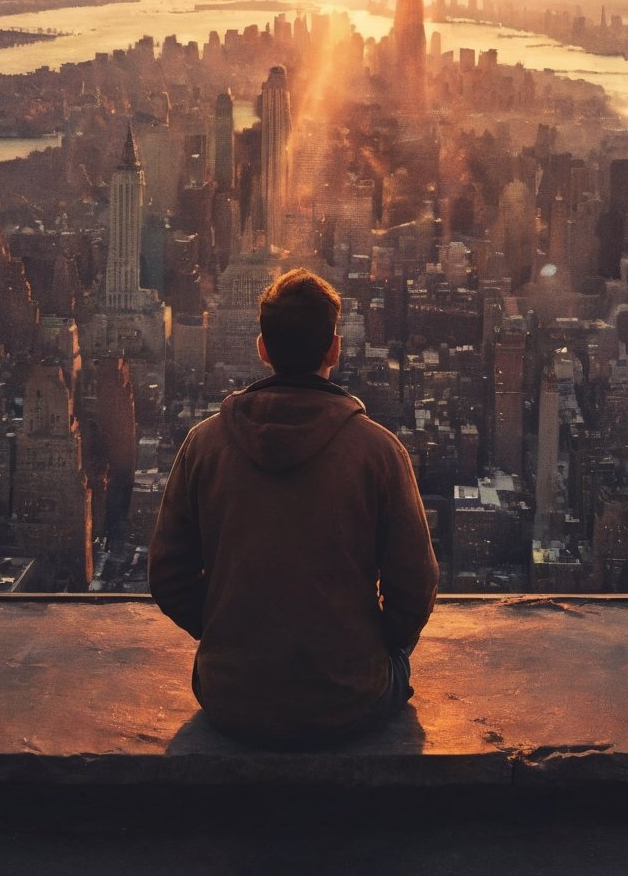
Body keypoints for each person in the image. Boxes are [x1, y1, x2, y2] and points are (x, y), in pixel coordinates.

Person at [148, 267, 438, 747]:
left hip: (230, 695)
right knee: (399, 671)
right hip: (349, 699)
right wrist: (374, 646)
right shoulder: (379, 452)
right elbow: (416, 584)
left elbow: (166, 574)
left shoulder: (204, 444)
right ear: (335, 349)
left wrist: (226, 628)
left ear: (262, 348)